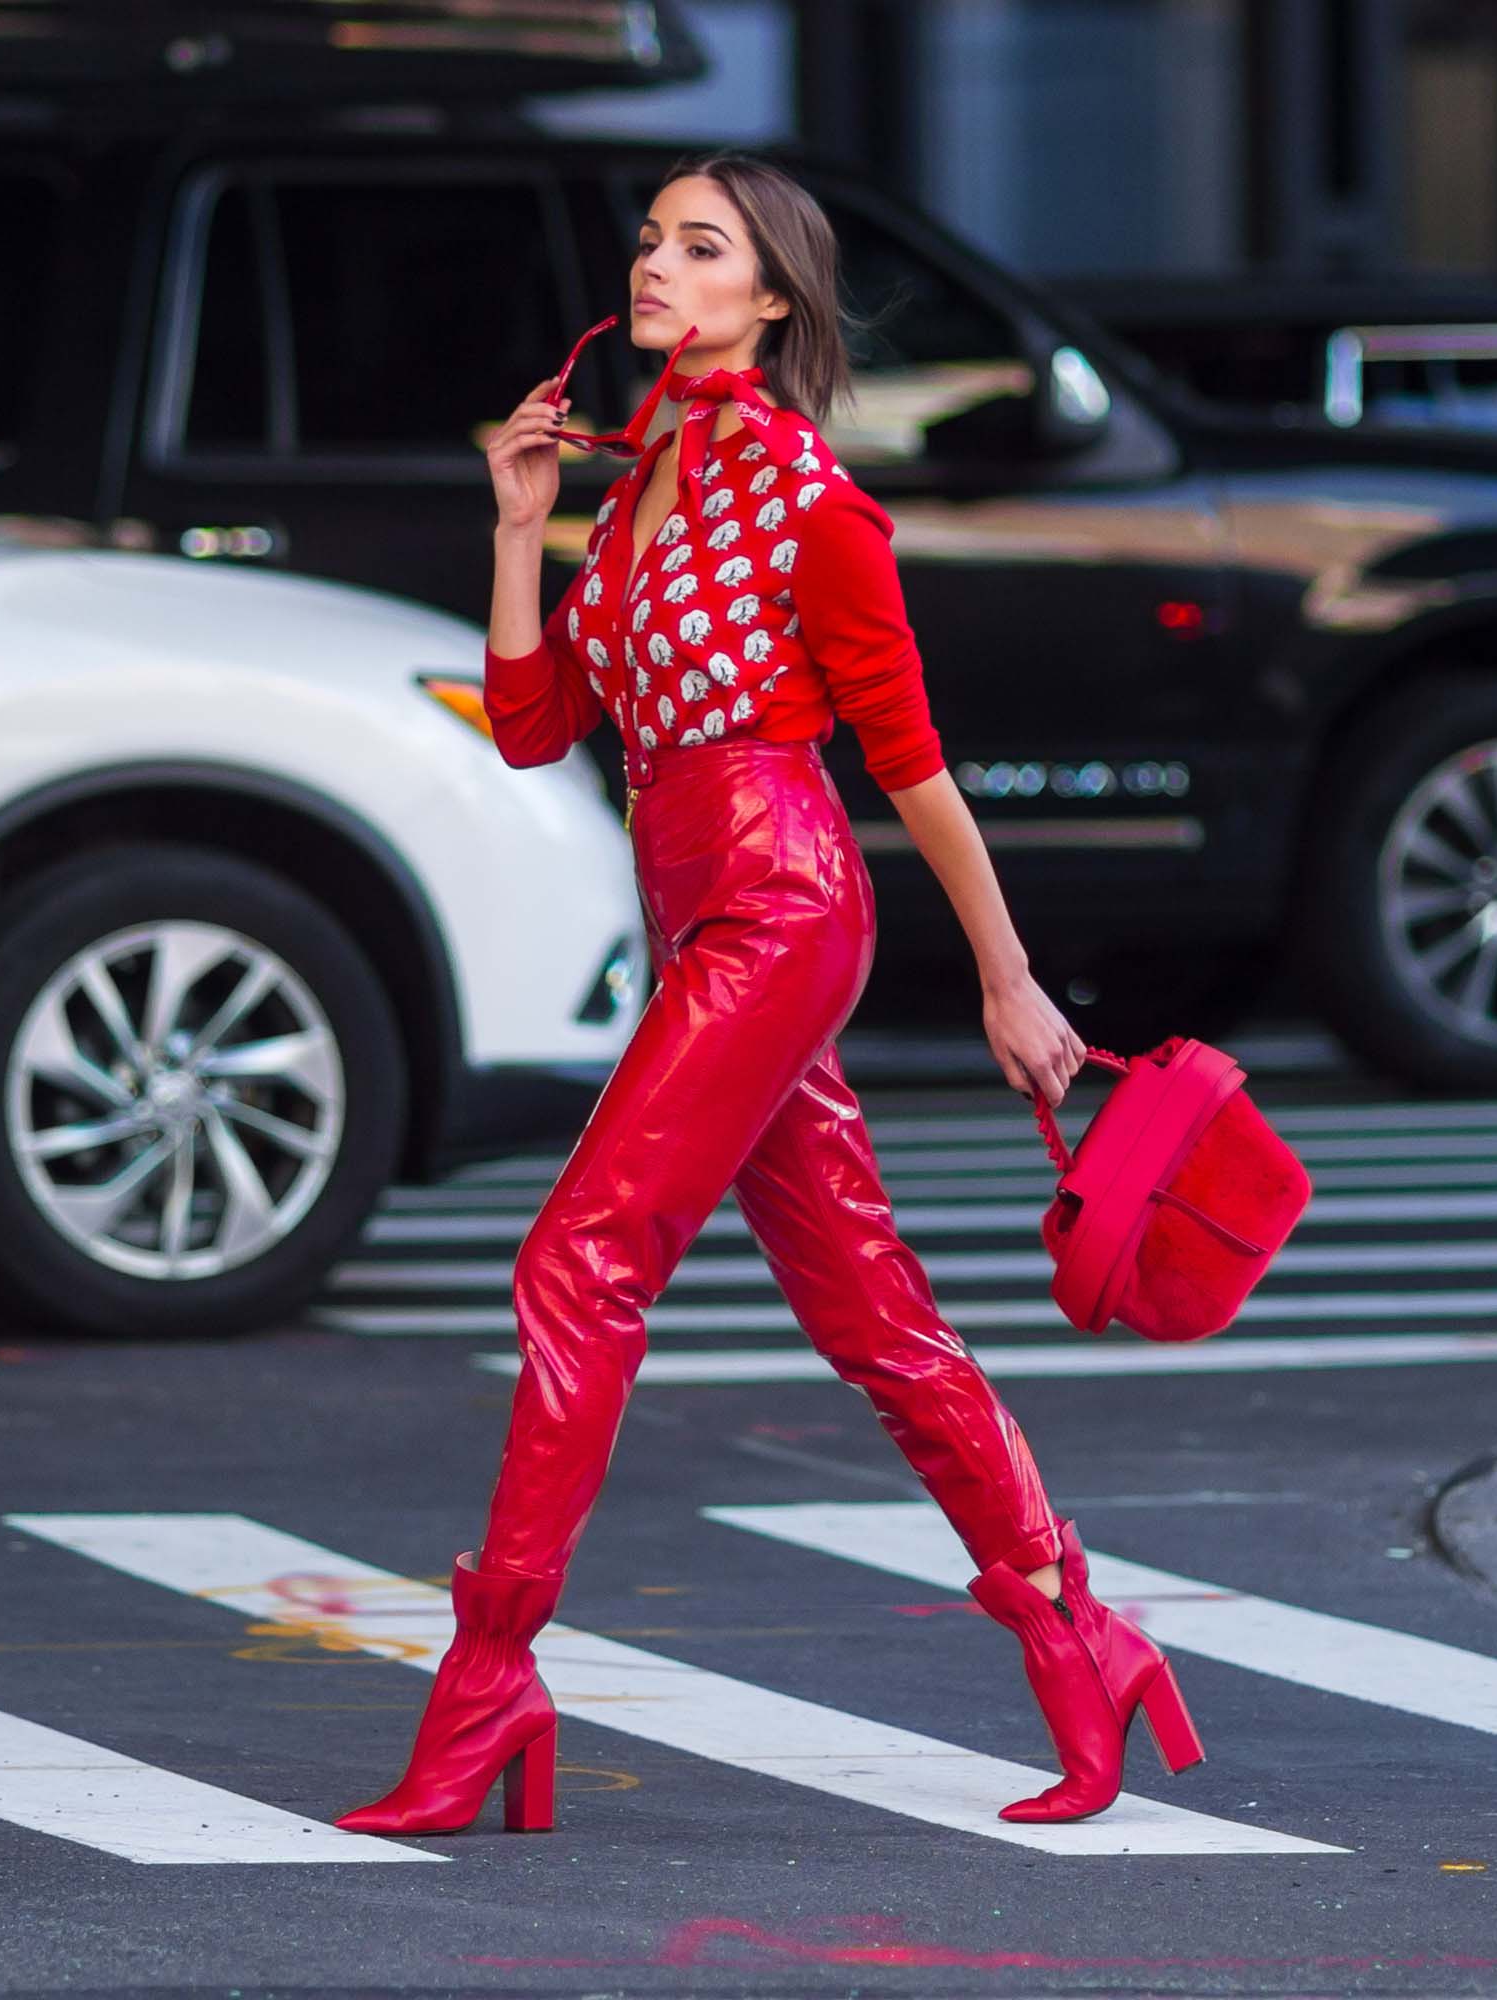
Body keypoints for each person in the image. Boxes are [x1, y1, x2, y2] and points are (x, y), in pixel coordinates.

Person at [338, 152, 1203, 1837]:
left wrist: (1010, 983)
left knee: (579, 1260)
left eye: (700, 247)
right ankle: (1074, 1628)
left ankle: (490, 1675)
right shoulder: (639, 473)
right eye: (651, 241)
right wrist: (519, 528)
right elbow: (533, 726)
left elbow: (915, 766)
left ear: (773, 298)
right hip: (709, 918)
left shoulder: (810, 501)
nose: (658, 265)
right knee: (870, 1316)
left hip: (782, 899)